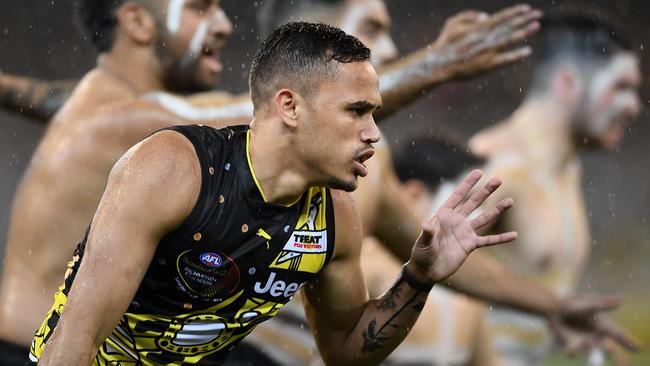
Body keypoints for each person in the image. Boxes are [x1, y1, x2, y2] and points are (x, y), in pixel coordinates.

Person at [0, 1, 545, 362]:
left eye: (374, 114)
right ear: (288, 106)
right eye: (356, 111)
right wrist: (441, 63)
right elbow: (76, 340)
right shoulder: (172, 168)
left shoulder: (333, 217)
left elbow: (345, 351)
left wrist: (418, 278)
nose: (374, 134)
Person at [467, 14, 642, 366]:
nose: (634, 106)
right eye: (621, 87)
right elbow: (424, 270)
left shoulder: (567, 169)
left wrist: (558, 322)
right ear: (567, 83)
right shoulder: (497, 165)